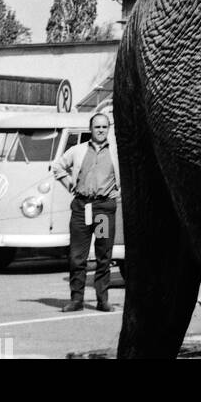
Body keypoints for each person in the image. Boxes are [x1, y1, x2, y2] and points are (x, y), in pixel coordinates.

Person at [51, 112, 120, 312]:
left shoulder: (115, 152)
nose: (100, 130)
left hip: (102, 210)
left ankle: (102, 300)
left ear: (108, 129)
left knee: (103, 255)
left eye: (104, 127)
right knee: (77, 256)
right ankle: (76, 300)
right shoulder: (78, 150)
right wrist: (68, 183)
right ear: (90, 129)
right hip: (82, 208)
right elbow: (57, 167)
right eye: (97, 127)